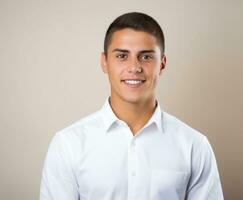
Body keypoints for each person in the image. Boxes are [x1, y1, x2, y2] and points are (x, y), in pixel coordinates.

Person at [40, 12, 224, 200]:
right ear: (105, 62)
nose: (134, 67)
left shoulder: (194, 146)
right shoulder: (68, 145)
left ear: (162, 64)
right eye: (122, 56)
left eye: (145, 57)